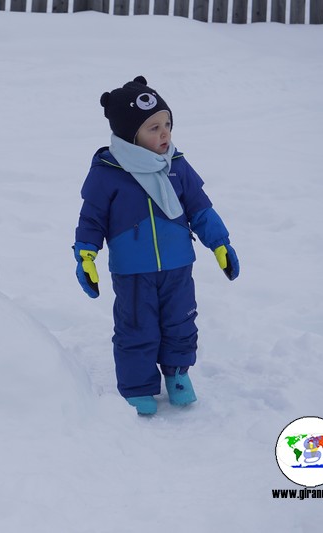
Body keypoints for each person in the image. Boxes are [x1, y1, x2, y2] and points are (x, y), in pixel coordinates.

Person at [73, 76, 239, 416]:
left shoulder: (177, 165)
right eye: (153, 128)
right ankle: (138, 387)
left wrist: (220, 243)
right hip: (133, 270)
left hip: (178, 265)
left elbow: (200, 207)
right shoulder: (108, 173)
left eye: (167, 124)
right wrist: (86, 254)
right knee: (137, 326)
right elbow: (92, 219)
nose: (165, 134)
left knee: (181, 321)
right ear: (130, 134)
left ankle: (178, 375)